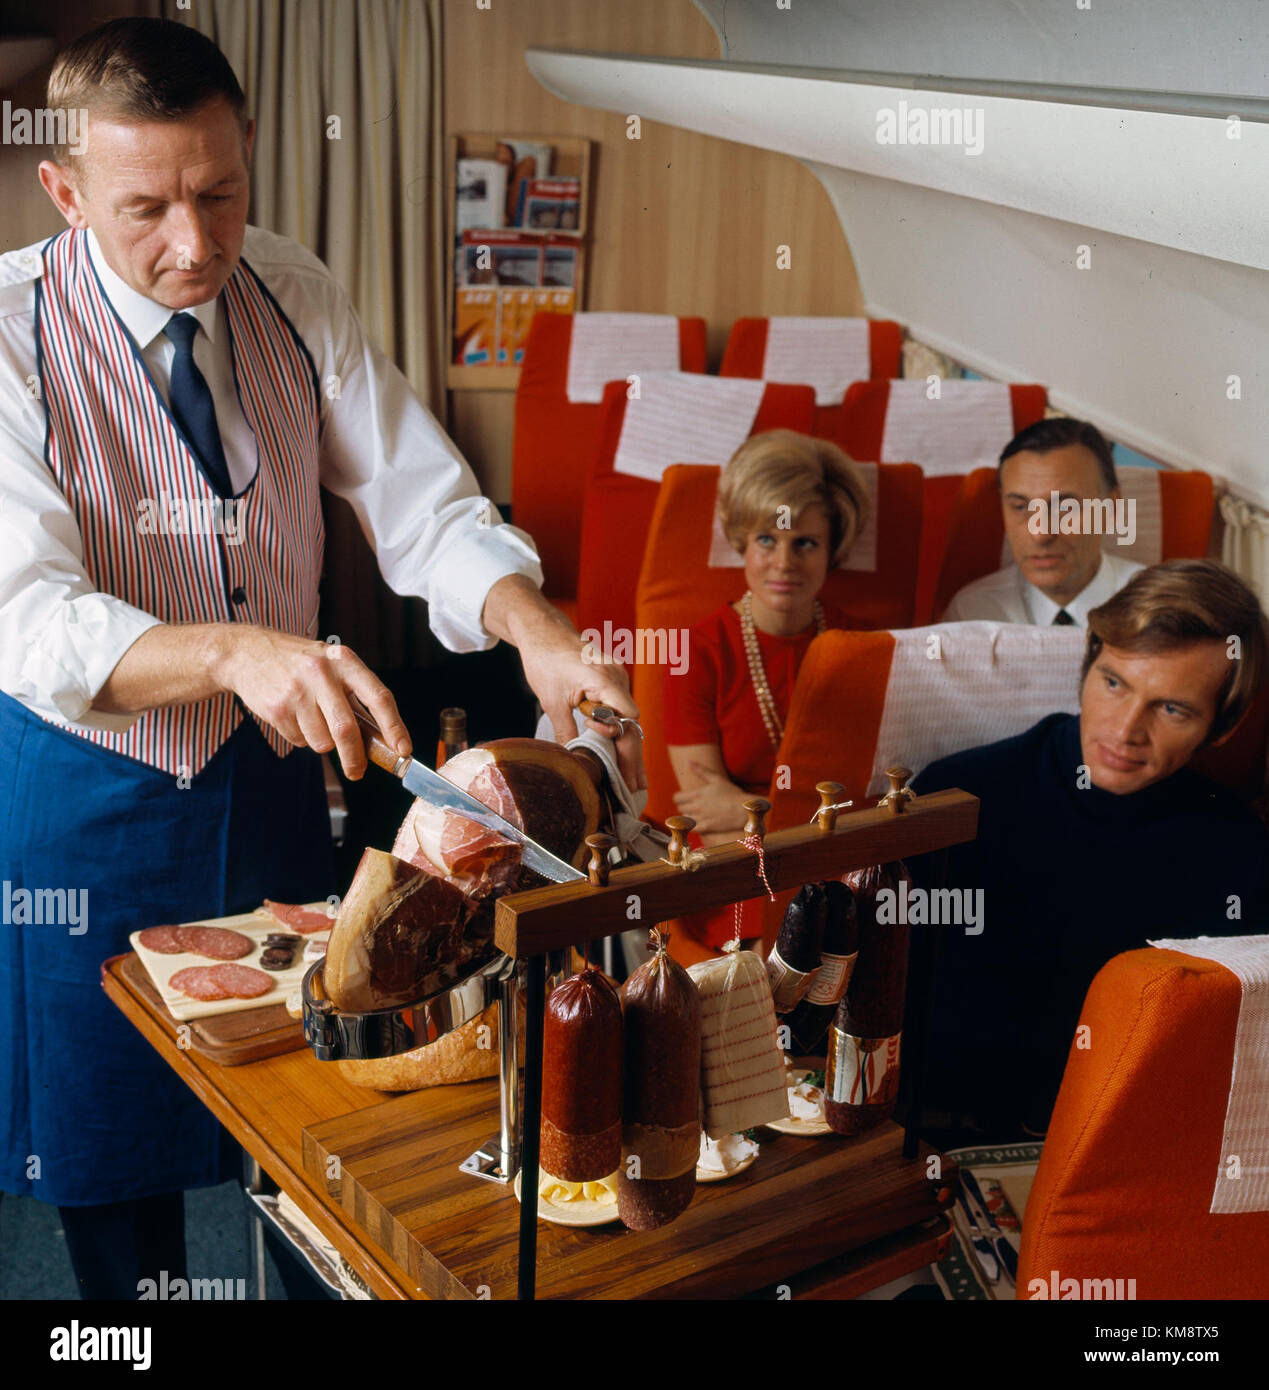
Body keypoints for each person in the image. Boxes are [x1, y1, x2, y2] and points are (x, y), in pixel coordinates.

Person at [0, 18, 638, 1299]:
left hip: (281, 785)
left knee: (323, 1115)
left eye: (220, 191)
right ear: (64, 191)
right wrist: (238, 650)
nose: (195, 242)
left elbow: (422, 506)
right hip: (88, 793)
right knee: (110, 1154)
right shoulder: (8, 333)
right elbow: (29, 616)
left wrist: (539, 630)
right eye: (146, 208)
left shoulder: (296, 290)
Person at [910, 559, 1269, 1140]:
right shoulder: (957, 797)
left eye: (1172, 708)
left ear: (1221, 728)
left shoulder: (1241, 853)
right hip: (936, 1133)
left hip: (1125, 1144)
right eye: (1114, 682)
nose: (1126, 729)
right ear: (1088, 664)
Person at [664, 429, 871, 958]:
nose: (784, 562)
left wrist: (750, 809)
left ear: (832, 548)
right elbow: (706, 815)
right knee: (775, 948)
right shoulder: (695, 650)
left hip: (833, 862)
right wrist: (812, 824)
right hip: (736, 866)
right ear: (740, 541)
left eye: (805, 542)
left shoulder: (862, 649)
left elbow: (862, 808)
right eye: (766, 540)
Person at [941, 417, 1143, 627]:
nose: (1040, 534)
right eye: (1021, 507)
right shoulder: (973, 613)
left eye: (1065, 508)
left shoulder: (1163, 605)